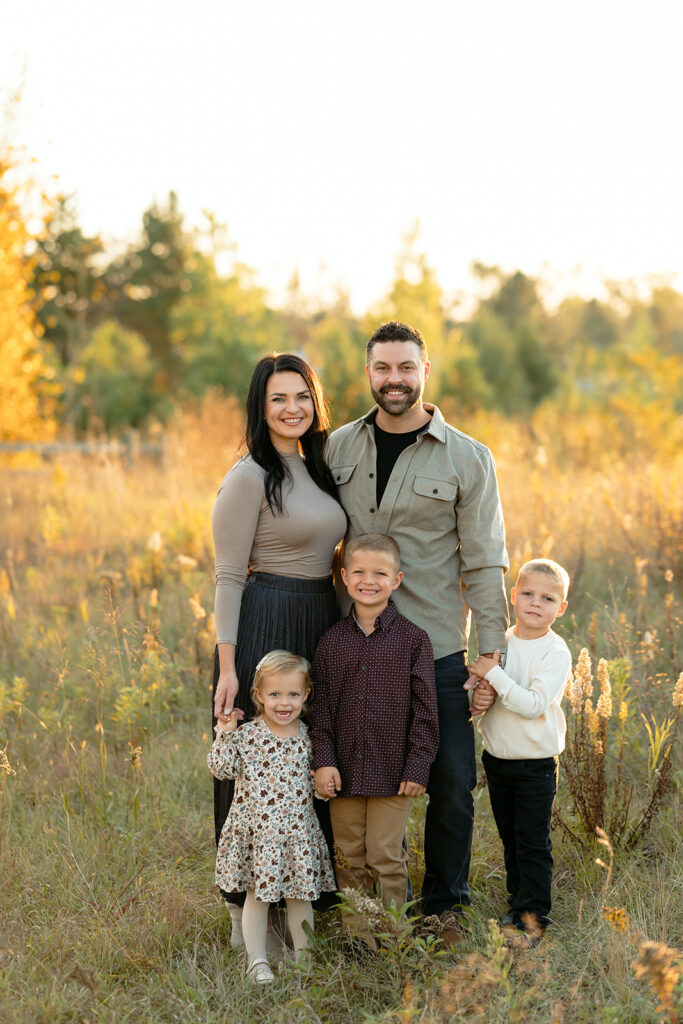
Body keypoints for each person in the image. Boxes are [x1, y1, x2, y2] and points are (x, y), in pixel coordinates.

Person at [325, 320, 509, 934]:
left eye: (406, 368)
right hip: (355, 646)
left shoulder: (468, 457)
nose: (394, 379)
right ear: (368, 373)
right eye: (383, 368)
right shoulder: (338, 449)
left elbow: (485, 563)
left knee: (453, 779)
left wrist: (491, 657)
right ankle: (354, 906)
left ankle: (445, 906)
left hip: (436, 648)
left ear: (425, 373)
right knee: (349, 776)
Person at [211, 353, 347, 946]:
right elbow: (227, 575)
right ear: (259, 407)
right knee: (256, 767)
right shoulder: (248, 476)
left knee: (310, 758)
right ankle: (244, 908)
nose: (292, 409)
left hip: (321, 617)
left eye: (301, 396)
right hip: (267, 619)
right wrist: (227, 669)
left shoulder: (322, 466)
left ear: (315, 402)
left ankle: (307, 900)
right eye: (277, 399)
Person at [310, 533, 439, 947]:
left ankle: (394, 940)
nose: (370, 581)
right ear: (344, 577)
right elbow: (322, 709)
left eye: (380, 573)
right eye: (360, 572)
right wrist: (323, 761)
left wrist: (418, 766)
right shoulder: (331, 643)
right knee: (349, 856)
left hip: (393, 771)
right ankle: (359, 940)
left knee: (386, 856)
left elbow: (426, 713)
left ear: (397, 579)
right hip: (343, 771)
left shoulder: (414, 640)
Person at [208, 651, 336, 984]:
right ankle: (257, 962)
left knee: (300, 897)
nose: (284, 703)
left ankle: (303, 961)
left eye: (293, 694)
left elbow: (316, 785)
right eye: (275, 694)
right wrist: (224, 731)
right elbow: (222, 769)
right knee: (257, 897)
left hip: (296, 834)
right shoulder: (248, 735)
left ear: (305, 695)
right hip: (259, 835)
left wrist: (325, 787)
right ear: (259, 695)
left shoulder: (308, 738)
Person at [466, 558, 572, 945]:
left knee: (531, 840)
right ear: (513, 596)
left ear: (560, 609)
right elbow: (488, 694)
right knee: (510, 837)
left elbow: (530, 705)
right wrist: (480, 691)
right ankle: (517, 903)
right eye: (527, 593)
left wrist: (492, 673)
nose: (534, 603)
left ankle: (533, 918)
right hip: (497, 760)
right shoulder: (502, 642)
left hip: (536, 764)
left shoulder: (554, 653)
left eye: (547, 598)